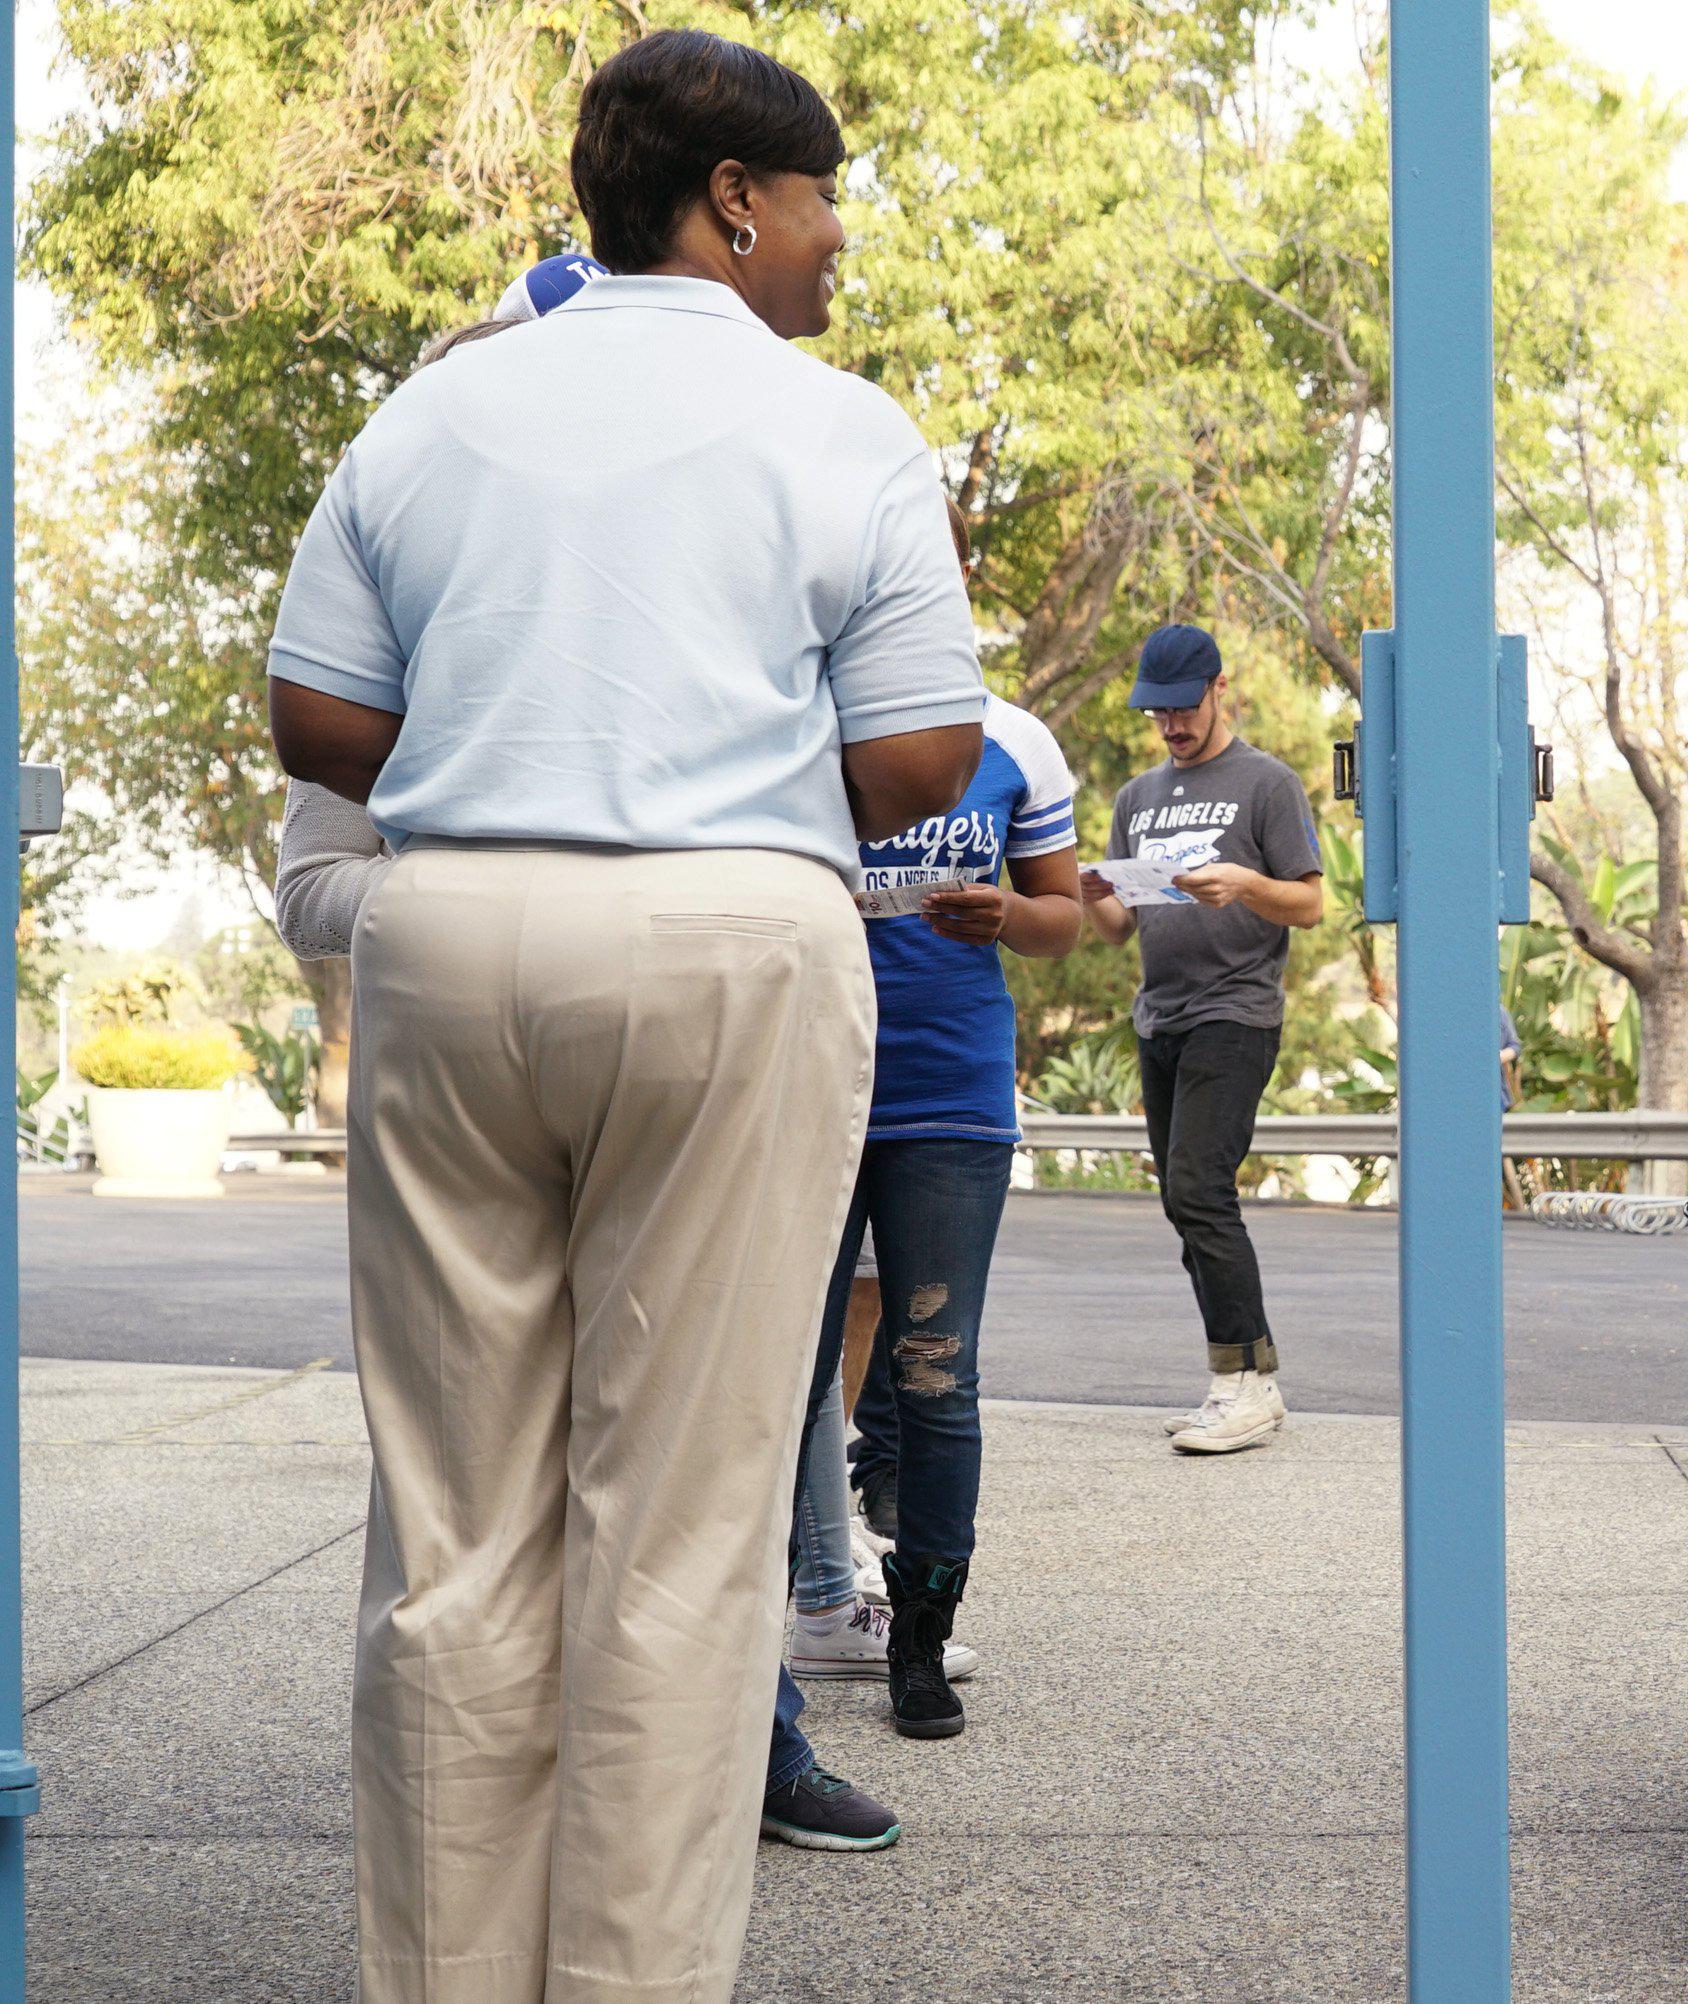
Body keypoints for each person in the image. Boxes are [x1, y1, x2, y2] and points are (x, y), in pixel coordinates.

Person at [264, 32, 989, 1995]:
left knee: (452, 1532)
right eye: (825, 195)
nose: (838, 239)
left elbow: (314, 720)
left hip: (455, 939)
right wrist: (716, 764)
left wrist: (519, 736)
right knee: (676, 1539)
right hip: (727, 945)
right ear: (734, 197)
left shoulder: (432, 417)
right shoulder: (838, 430)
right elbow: (925, 752)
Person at [778, 668, 1083, 1748]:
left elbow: (1063, 918)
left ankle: (918, 1639)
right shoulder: (796, 719)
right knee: (778, 1370)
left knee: (935, 1372)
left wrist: (1010, 913)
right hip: (800, 1081)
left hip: (950, 1095)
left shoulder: (1014, 742)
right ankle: (765, 1636)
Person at [1078, 624, 1325, 1455]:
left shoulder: (1267, 783)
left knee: (1197, 1186)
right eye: (1159, 711)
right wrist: (1085, 888)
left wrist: (1247, 883)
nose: (1171, 725)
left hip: (1237, 1012)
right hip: (1162, 1017)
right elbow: (1116, 927)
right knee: (1183, 1201)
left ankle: (1246, 1384)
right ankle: (1242, 1377)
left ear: (1220, 689)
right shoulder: (1136, 798)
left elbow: (1310, 903)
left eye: (1184, 707)